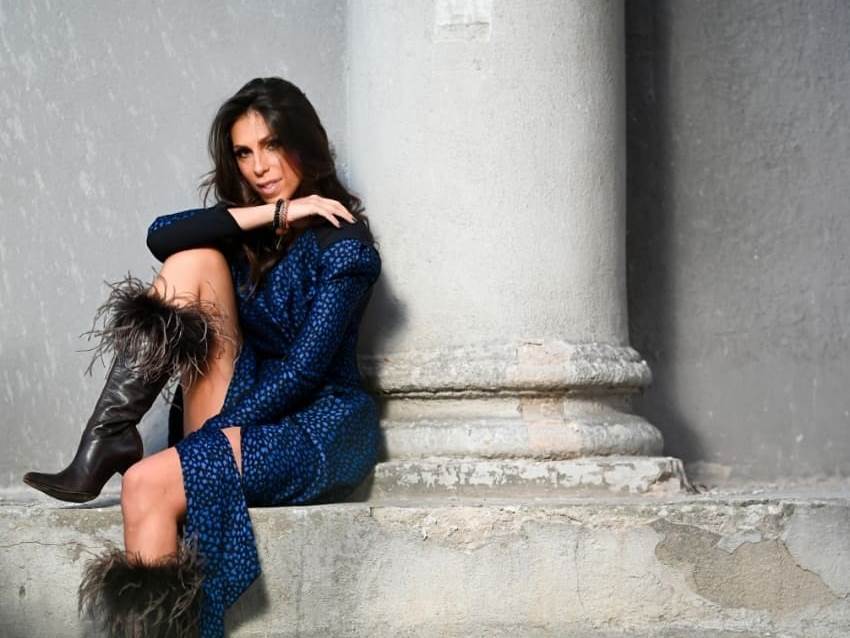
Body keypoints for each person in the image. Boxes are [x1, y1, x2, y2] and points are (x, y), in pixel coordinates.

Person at [22, 77, 383, 637]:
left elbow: (305, 371)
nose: (259, 167)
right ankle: (110, 432)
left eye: (272, 145)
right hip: (247, 396)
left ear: (304, 142)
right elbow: (161, 234)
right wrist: (276, 213)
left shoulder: (346, 246)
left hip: (316, 422)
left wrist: (211, 436)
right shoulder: (258, 229)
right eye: (243, 152)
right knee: (190, 258)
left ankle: (117, 444)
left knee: (145, 483)